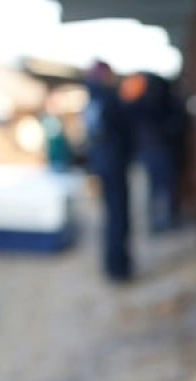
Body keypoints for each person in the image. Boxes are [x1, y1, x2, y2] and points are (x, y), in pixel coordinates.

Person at [82, 61, 134, 283]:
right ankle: (119, 268)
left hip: (101, 164)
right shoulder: (109, 98)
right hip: (114, 164)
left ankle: (113, 266)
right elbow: (124, 130)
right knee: (118, 216)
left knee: (110, 217)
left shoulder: (91, 101)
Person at [121, 71, 184, 233]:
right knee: (164, 186)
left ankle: (158, 222)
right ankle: (164, 220)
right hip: (158, 148)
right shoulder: (155, 102)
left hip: (147, 149)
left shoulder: (134, 103)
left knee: (156, 187)